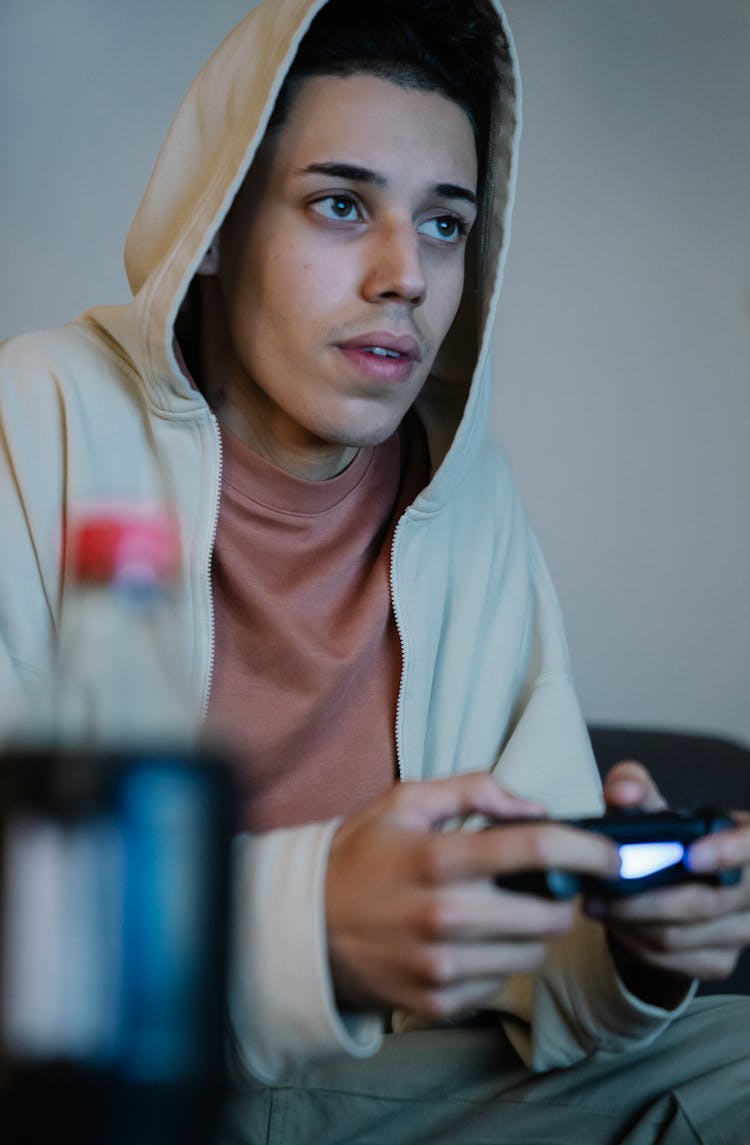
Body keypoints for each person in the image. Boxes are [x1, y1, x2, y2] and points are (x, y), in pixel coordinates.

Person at [1, 1, 749, 1141]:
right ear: (216, 224)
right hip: (91, 1082)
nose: (406, 273)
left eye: (445, 225)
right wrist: (314, 928)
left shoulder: (468, 499)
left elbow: (533, 968)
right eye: (341, 205)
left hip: (388, 1100)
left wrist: (632, 949)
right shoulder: (33, 414)